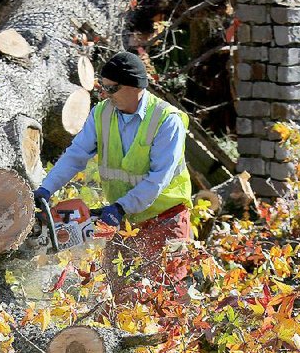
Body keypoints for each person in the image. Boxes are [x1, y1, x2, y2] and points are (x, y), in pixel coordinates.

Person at [34, 50, 192, 297]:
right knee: (118, 294)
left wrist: (119, 207)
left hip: (165, 219)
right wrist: (46, 189)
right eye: (103, 88)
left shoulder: (167, 120)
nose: (106, 95)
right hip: (124, 219)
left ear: (135, 86)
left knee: (165, 296)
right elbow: (76, 155)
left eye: (112, 88)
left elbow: (157, 179)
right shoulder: (102, 114)